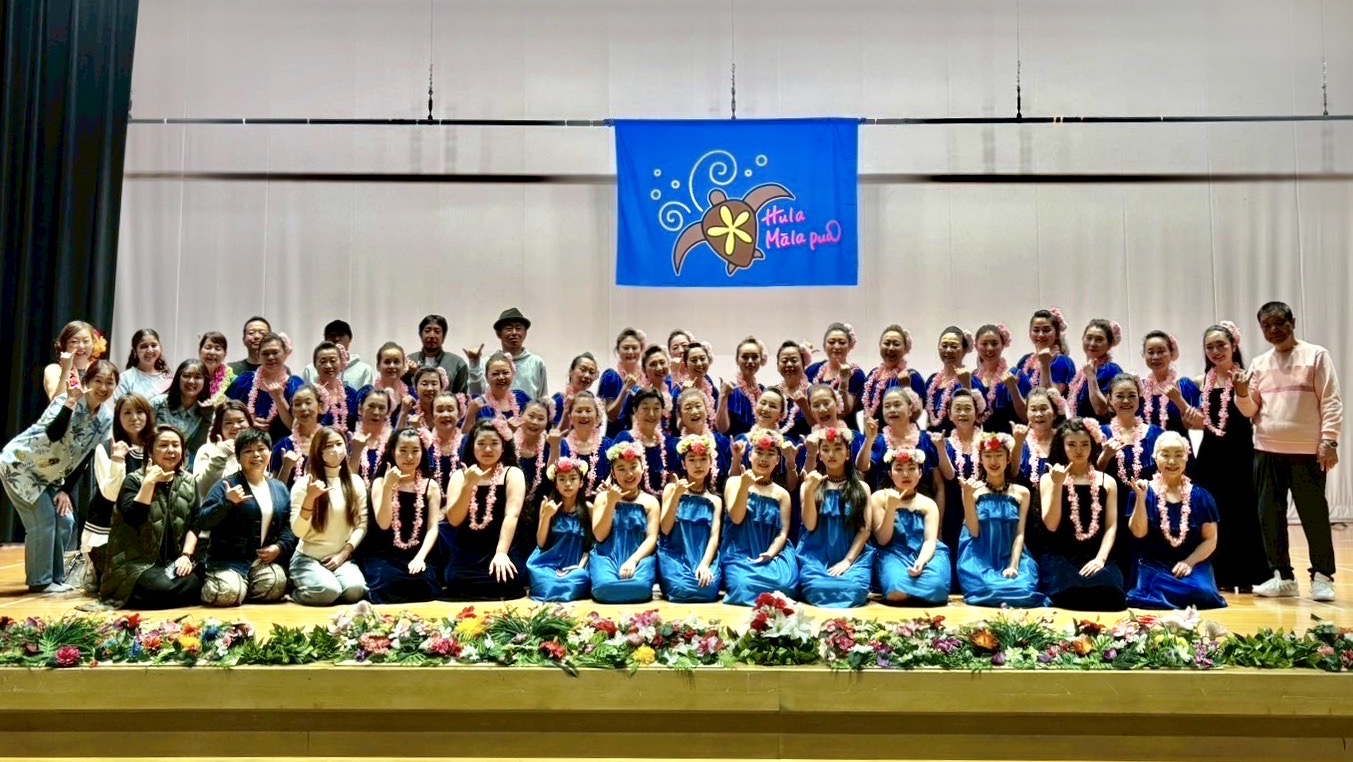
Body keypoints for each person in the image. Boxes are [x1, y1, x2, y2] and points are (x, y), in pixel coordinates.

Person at [1237, 301, 1342, 601]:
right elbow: (1249, 410)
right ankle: (1282, 577)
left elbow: (1331, 400)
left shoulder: (1316, 355)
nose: (1273, 330)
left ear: (1292, 322)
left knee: (1313, 515)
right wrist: (1242, 393)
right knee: (1269, 516)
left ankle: (1322, 577)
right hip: (1266, 450)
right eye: (1266, 326)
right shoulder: (1259, 363)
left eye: (1278, 322)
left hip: (1307, 452)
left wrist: (1329, 440)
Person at [1, 361, 117, 592]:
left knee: (65, 521)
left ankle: (56, 579)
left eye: (110, 382)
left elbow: (85, 457)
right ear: (86, 381)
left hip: (51, 476)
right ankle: (41, 582)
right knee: (43, 520)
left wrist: (65, 490)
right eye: (98, 381)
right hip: (21, 466)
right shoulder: (64, 400)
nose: (103, 387)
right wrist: (70, 404)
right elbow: (53, 434)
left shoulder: (106, 418)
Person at [1192, 322, 1267, 592]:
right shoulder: (1200, 382)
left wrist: (1242, 390)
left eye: (1221, 345)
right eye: (1209, 347)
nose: (1215, 351)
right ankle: (1220, 575)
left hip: (1240, 453)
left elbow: (1250, 413)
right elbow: (1199, 421)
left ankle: (1249, 576)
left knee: (1244, 511)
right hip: (1211, 455)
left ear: (1234, 346)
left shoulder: (1248, 377)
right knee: (1214, 513)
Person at [101, 425, 203, 609]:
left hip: (173, 562)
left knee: (200, 580)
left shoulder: (189, 481)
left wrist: (186, 556)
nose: (171, 450)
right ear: (150, 451)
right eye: (163, 445)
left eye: (176, 445)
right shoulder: (134, 480)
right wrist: (149, 482)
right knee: (160, 588)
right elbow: (133, 519)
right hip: (137, 564)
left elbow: (195, 523)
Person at [1125, 432, 1227, 610]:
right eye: (1165, 455)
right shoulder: (1143, 491)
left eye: (1178, 455)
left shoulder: (1201, 496)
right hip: (1154, 564)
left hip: (1193, 563)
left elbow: (1210, 540)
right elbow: (1138, 533)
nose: (1172, 461)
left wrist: (1189, 562)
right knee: (1150, 593)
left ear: (1186, 458)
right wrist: (1141, 499)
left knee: (1204, 594)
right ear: (1155, 457)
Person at [196, 428, 295, 607]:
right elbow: (203, 521)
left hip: (259, 562)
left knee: (277, 584)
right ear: (238, 457)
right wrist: (227, 502)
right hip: (227, 561)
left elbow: (289, 525)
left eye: (261, 449)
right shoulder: (226, 485)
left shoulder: (279, 488)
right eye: (248, 451)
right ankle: (226, 585)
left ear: (270, 452)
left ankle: (242, 588)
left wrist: (279, 547)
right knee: (227, 594)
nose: (256, 455)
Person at [1038, 418, 1126, 610]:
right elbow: (1051, 525)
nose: (1079, 450)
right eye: (1071, 444)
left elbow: (1111, 526)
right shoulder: (1049, 478)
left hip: (1096, 554)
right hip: (1061, 555)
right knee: (1067, 593)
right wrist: (1058, 485)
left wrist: (1100, 559)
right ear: (1062, 446)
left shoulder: (1107, 481)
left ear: (1093, 445)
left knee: (1111, 593)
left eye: (1084, 444)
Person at [957, 434, 1047, 607]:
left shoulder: (1022, 493)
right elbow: (973, 532)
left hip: (1013, 555)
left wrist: (1013, 566)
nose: (993, 461)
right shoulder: (972, 491)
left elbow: (1020, 534)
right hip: (979, 557)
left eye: (999, 455)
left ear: (1008, 459)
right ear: (981, 459)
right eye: (988, 455)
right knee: (990, 589)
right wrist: (967, 497)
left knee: (1024, 589)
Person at [441, 419, 528, 600]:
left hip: (501, 547)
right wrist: (468, 485)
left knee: (507, 579)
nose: (487, 449)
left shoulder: (512, 473)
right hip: (467, 551)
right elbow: (454, 520)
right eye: (481, 443)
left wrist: (501, 553)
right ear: (472, 446)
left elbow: (511, 515)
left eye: (494, 443)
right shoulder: (459, 476)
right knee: (456, 580)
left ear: (503, 447)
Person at [82, 393, 154, 593]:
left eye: (140, 412)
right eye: (127, 413)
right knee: (121, 582)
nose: (134, 418)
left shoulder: (157, 446)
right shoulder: (105, 448)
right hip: (107, 527)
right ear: (118, 417)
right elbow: (111, 495)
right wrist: (118, 460)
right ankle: (93, 565)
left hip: (144, 526)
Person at [361, 429, 443, 604]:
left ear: (422, 452)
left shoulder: (431, 486)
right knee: (387, 583)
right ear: (393, 452)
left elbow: (432, 529)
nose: (409, 457)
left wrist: (420, 557)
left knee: (424, 584)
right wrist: (388, 486)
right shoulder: (380, 482)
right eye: (403, 450)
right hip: (384, 555)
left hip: (416, 554)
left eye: (415, 450)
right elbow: (383, 524)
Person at [1097, 373, 1165, 581]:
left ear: (1139, 398)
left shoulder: (1155, 433)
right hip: (1112, 509)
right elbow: (1092, 475)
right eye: (1120, 396)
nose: (1126, 401)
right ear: (1109, 399)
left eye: (1131, 395)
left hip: (1148, 508)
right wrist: (1105, 456)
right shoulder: (1099, 433)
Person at [290, 426, 368, 606]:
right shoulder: (304, 484)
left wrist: (344, 553)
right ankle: (295, 589)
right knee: (327, 592)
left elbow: (361, 525)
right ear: (318, 451)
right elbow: (298, 532)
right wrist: (310, 499)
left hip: (340, 558)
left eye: (339, 444)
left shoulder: (355, 482)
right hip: (308, 558)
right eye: (328, 446)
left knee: (356, 590)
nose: (335, 449)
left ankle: (327, 584)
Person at [797, 427, 874, 608]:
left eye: (838, 448)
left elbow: (865, 530)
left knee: (855, 589)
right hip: (816, 556)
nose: (831, 454)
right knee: (816, 589)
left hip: (852, 556)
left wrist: (847, 561)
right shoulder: (809, 485)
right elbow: (809, 525)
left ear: (847, 454)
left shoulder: (862, 488)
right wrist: (809, 491)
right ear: (819, 454)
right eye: (825, 449)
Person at [721, 429, 800, 605]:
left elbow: (783, 532)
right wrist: (745, 486)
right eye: (759, 452)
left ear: (777, 460)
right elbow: (736, 518)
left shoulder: (782, 494)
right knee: (743, 586)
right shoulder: (734, 482)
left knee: (786, 586)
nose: (764, 459)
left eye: (770, 454)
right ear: (750, 455)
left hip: (772, 552)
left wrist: (770, 553)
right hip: (741, 552)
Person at [871, 447, 950, 606]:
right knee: (895, 592)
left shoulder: (929, 504)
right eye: (899, 469)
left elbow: (930, 541)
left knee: (938, 590)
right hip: (892, 553)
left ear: (920, 473)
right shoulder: (878, 498)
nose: (905, 474)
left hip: (926, 554)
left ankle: (919, 591)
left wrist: (921, 561)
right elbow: (882, 540)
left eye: (912, 468)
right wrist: (891, 508)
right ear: (890, 474)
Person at [589, 441, 660, 603]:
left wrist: (633, 561)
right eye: (621, 469)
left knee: (641, 588)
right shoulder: (603, 498)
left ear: (643, 468)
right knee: (604, 588)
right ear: (613, 474)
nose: (629, 474)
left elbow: (651, 538)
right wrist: (611, 503)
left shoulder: (651, 502)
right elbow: (599, 536)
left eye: (634, 467)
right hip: (607, 557)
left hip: (639, 558)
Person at [657, 434, 724, 602]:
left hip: (702, 557)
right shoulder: (672, 489)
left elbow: (714, 538)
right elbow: (665, 529)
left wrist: (705, 565)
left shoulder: (715, 500)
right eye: (692, 459)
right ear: (683, 464)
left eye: (703, 459)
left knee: (708, 588)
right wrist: (676, 496)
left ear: (711, 462)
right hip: (675, 556)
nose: (698, 465)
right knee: (682, 588)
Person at [526, 458, 593, 602]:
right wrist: (546, 516)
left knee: (579, 578)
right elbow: (541, 543)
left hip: (576, 565)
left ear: (581, 482)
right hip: (546, 564)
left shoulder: (589, 509)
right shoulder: (547, 506)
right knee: (547, 581)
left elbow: (591, 546)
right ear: (556, 484)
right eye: (562, 479)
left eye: (573, 478)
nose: (567, 484)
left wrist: (580, 567)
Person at [225, 332, 304, 442]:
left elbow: (297, 428)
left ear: (285, 353)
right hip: (247, 446)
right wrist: (248, 422)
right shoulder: (244, 381)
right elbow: (226, 415)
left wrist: (279, 399)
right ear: (258, 356)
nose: (270, 357)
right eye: (265, 353)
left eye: (275, 352)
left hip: (283, 449)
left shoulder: (295, 385)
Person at [467, 308, 548, 401]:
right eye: (509, 329)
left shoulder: (536, 362)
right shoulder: (487, 362)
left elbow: (543, 399)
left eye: (518, 328)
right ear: (498, 334)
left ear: (525, 333)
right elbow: (475, 395)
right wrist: (474, 363)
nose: (514, 333)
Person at [1138, 331, 1203, 438]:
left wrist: (1178, 400)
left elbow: (1201, 424)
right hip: (1147, 448)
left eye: (1161, 351)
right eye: (1150, 352)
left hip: (1179, 447)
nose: (1155, 357)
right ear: (1144, 355)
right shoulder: (1140, 388)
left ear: (1171, 353)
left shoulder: (1184, 386)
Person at [615, 388, 679, 496]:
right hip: (630, 501)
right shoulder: (624, 439)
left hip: (663, 501)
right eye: (645, 408)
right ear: (635, 411)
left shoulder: (667, 442)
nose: (651, 414)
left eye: (656, 408)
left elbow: (673, 478)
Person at [152, 359, 216, 467]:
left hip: (185, 470)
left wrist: (207, 418)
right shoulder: (157, 404)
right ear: (178, 378)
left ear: (205, 381)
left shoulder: (208, 411)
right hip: (154, 466)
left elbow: (197, 449)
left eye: (197, 377)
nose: (191, 381)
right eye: (186, 376)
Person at [860, 325, 928, 424]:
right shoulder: (872, 376)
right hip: (872, 432)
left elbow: (915, 414)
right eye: (887, 343)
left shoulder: (912, 376)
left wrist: (906, 387)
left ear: (905, 348)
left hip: (900, 433)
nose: (891, 348)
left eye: (896, 344)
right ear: (880, 345)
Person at [806, 323, 866, 430]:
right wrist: (802, 358)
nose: (836, 346)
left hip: (845, 433)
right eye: (831, 342)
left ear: (849, 346)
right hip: (815, 432)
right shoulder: (813, 370)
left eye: (842, 342)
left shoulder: (856, 374)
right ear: (824, 346)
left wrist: (844, 381)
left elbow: (843, 411)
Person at [924, 326, 982, 434]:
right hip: (933, 440)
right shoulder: (932, 381)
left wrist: (966, 385)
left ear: (964, 350)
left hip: (959, 441)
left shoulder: (973, 381)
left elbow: (977, 419)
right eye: (944, 346)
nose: (948, 350)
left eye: (954, 346)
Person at [191, 400, 253, 500]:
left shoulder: (257, 450)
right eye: (228, 422)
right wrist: (221, 455)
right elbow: (202, 490)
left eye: (241, 421)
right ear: (220, 426)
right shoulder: (207, 450)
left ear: (249, 422)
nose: (236, 426)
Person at [973, 323, 1027, 435]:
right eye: (984, 344)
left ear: (1002, 345)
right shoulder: (973, 379)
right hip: (980, 442)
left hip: (1012, 441)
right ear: (976, 346)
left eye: (994, 343)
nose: (989, 348)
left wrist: (1013, 388)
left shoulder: (1016, 375)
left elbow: (1026, 416)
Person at [558, 391, 614, 497]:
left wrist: (608, 488)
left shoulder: (609, 446)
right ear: (570, 417)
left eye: (588, 411)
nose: (583, 415)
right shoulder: (561, 446)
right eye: (579, 411)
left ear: (597, 417)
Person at [1065, 319, 1122, 421]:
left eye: (1099, 339)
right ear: (1082, 339)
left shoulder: (1111, 370)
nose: (1092, 343)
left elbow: (1100, 410)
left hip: (1101, 429)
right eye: (1089, 338)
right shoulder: (1082, 373)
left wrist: (1091, 377)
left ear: (1109, 345)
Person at [269, 384, 322, 489]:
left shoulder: (330, 439)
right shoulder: (283, 446)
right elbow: (276, 491)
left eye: (308, 403)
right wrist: (286, 468)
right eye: (297, 404)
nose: (303, 408)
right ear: (292, 411)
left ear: (320, 407)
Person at [1015, 308, 1076, 397]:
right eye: (1036, 330)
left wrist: (1044, 365)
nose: (1040, 335)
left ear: (1057, 334)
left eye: (1046, 330)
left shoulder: (1062, 362)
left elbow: (1051, 397)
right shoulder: (1025, 360)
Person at [599, 328, 646, 439]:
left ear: (641, 350)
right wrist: (625, 390)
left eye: (634, 348)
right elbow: (611, 416)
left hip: (643, 439)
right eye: (626, 348)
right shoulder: (612, 377)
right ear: (618, 350)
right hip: (617, 440)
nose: (630, 352)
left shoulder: (647, 377)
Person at [302, 320, 376, 390]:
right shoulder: (310, 370)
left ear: (350, 338)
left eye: (341, 335)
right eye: (332, 335)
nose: (337, 338)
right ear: (326, 340)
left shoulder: (364, 369)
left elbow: (366, 396)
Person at [465, 352, 532, 429]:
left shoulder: (522, 398)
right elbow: (465, 433)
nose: (501, 377)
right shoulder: (478, 404)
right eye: (495, 374)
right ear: (486, 377)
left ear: (512, 374)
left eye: (505, 373)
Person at [406, 314, 468, 395]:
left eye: (437, 331)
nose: (432, 335)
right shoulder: (408, 361)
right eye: (427, 331)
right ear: (420, 335)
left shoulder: (457, 363)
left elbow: (462, 397)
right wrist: (408, 374)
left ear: (444, 336)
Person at [43, 320, 102, 402]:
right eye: (74, 341)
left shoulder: (99, 370)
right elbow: (56, 402)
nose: (81, 346)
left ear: (93, 343)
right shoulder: (54, 370)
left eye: (86, 341)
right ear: (64, 344)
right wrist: (66, 369)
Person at [721, 336, 769, 437]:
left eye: (755, 357)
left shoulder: (763, 391)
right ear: (737, 360)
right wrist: (723, 397)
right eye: (745, 357)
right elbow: (722, 429)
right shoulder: (731, 390)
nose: (750, 361)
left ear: (761, 360)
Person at [308, 342, 359, 435]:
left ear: (341, 363)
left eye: (333, 360)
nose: (328, 366)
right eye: (323, 362)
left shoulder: (351, 393)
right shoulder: (310, 395)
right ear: (315, 365)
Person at [116, 328, 173, 402]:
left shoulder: (167, 379)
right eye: (144, 346)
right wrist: (154, 392)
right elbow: (122, 406)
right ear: (135, 351)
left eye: (154, 345)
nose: (150, 350)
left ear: (160, 348)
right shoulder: (125, 378)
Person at [552, 353, 600, 428]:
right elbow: (557, 433)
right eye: (583, 370)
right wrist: (567, 410)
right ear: (571, 372)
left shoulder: (593, 402)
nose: (587, 376)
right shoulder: (559, 401)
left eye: (591, 372)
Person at [198, 331, 233, 405]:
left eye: (217, 349)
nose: (212, 352)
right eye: (208, 347)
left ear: (224, 355)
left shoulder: (233, 381)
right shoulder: (190, 377)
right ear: (199, 351)